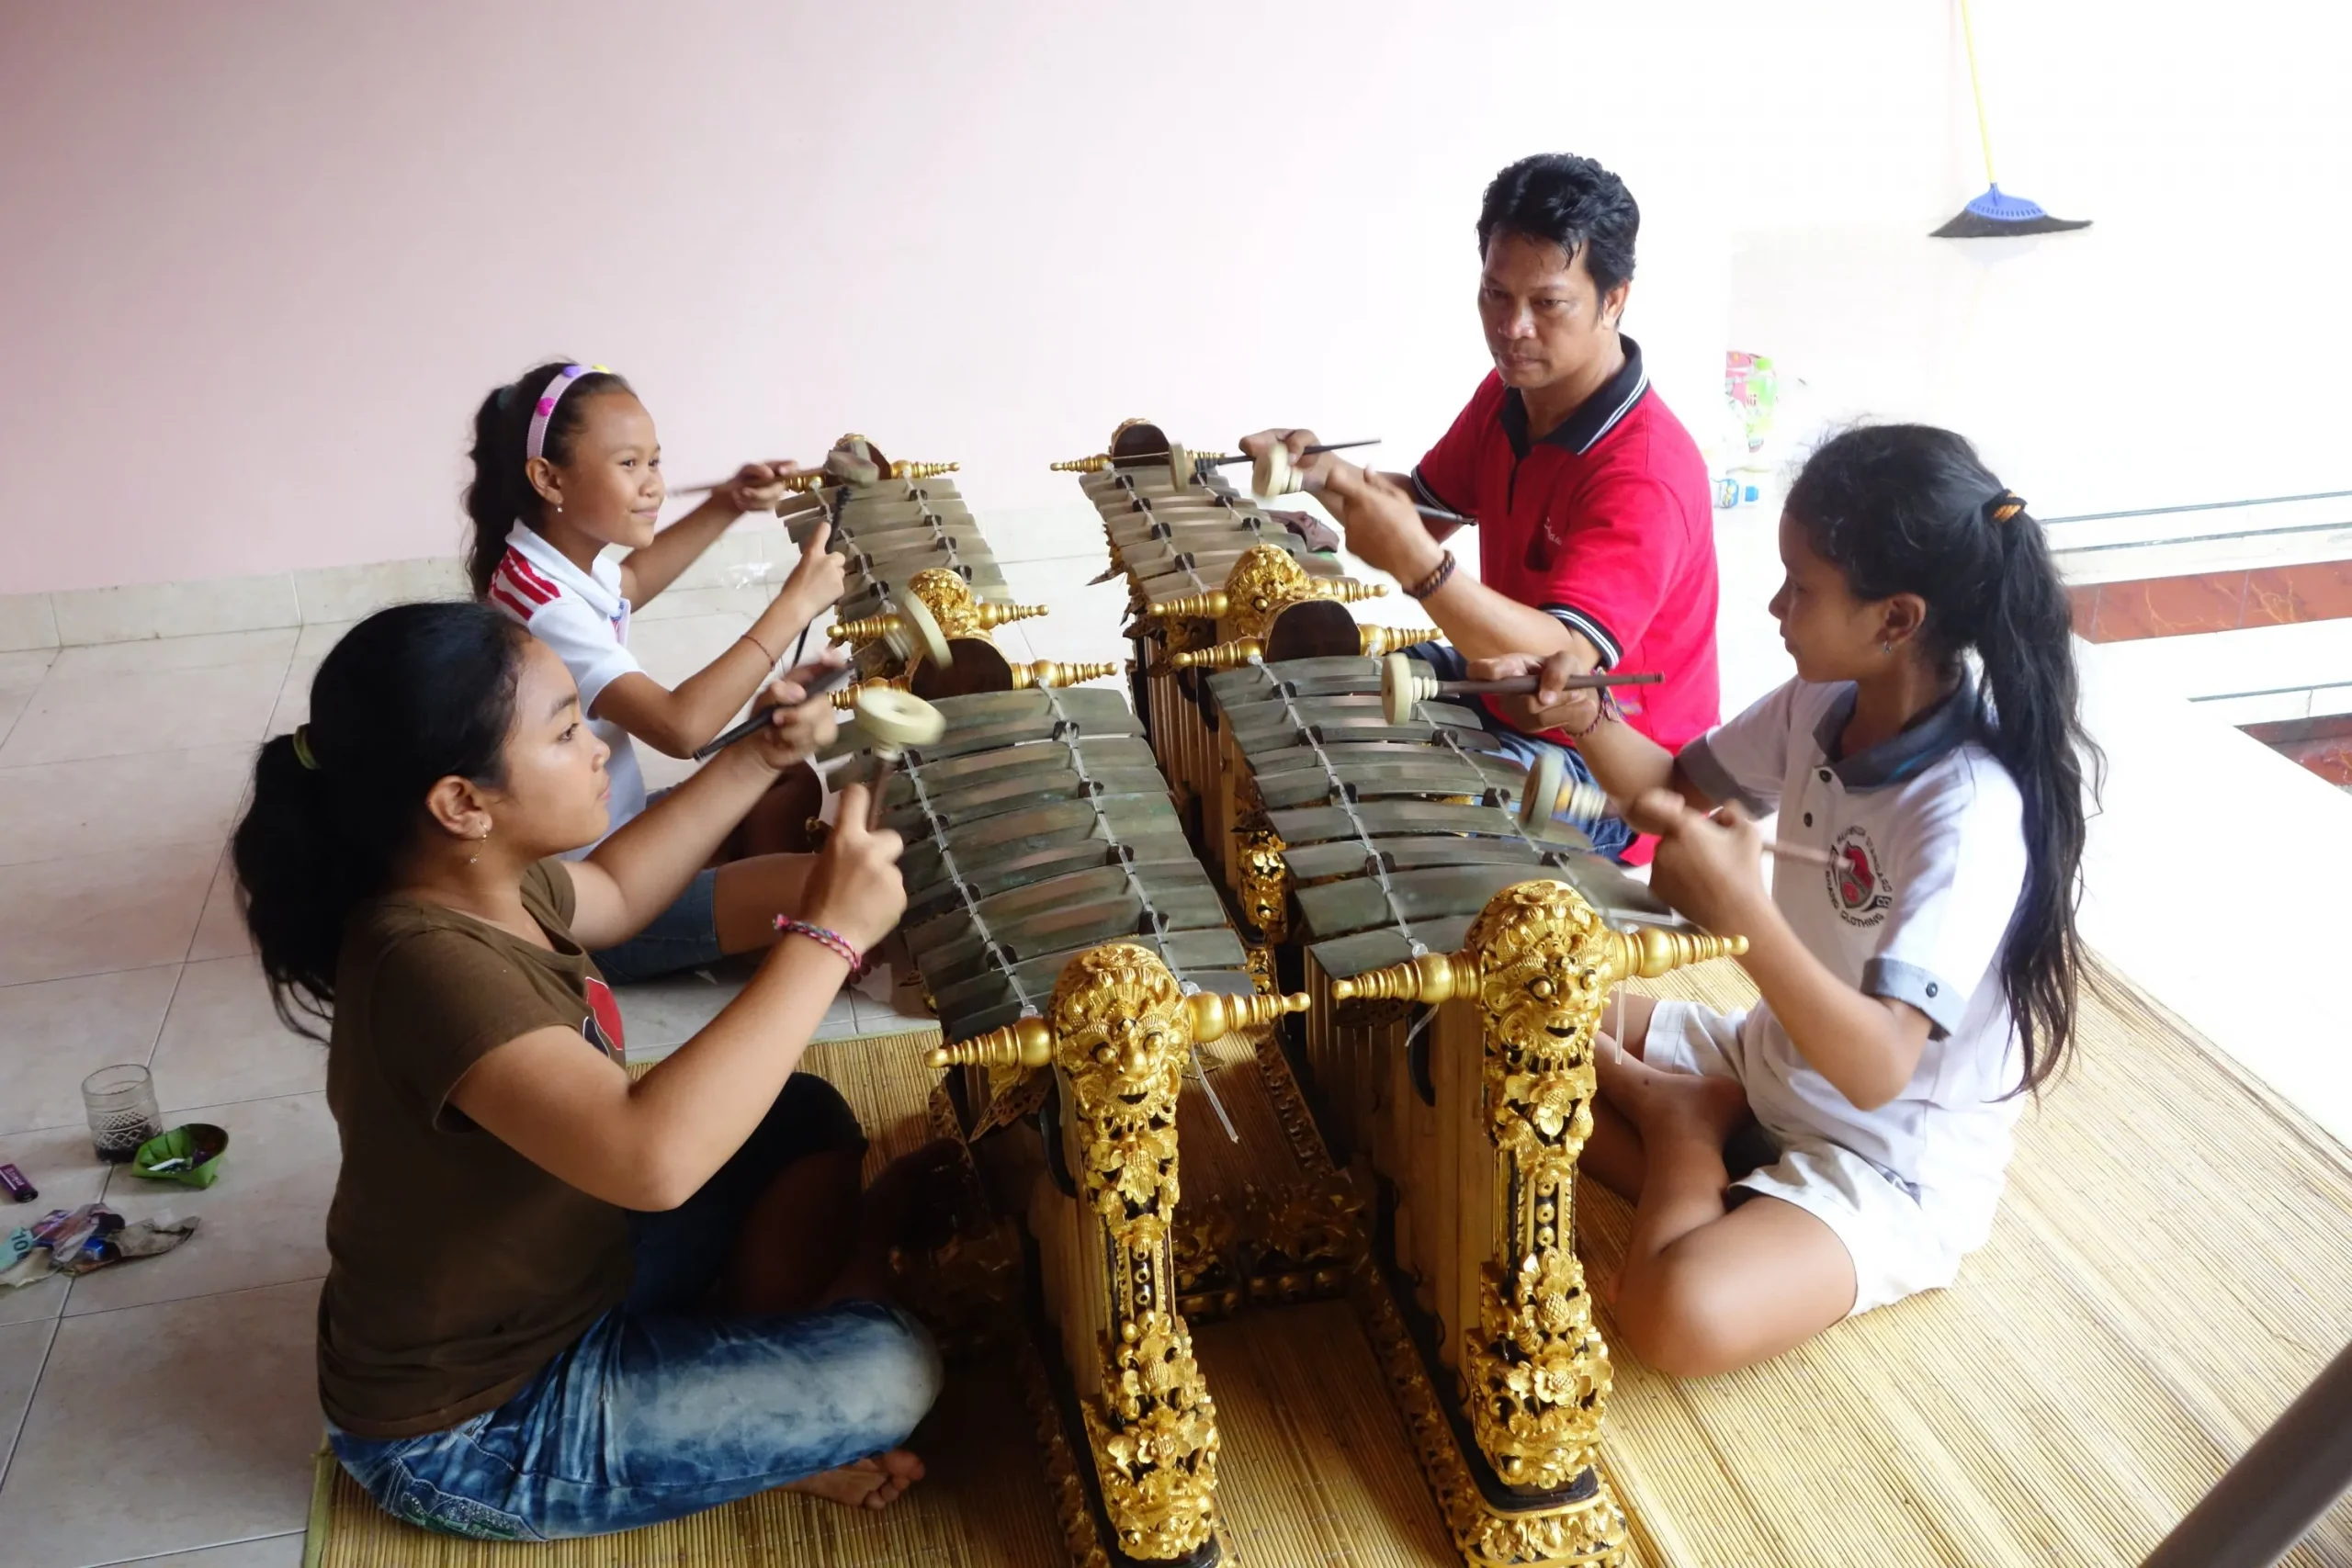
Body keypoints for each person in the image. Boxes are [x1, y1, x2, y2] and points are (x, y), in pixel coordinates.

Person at [232, 601, 942, 1539]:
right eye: (567, 732)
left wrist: (757, 755)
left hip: (578, 1272)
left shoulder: (475, 876)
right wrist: (828, 938)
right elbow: (654, 1158)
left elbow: (614, 891)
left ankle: (731, 1398)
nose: (599, 747)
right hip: (474, 1425)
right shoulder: (426, 965)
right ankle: (742, 1435)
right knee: (894, 1367)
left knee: (795, 1113)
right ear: (462, 802)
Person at [1475, 424, 2098, 1375]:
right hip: (1768, 1060)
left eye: (1800, 586)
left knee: (1677, 1314)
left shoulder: (1966, 813)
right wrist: (1587, 715)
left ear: (1896, 619)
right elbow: (1679, 791)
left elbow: (1879, 1067)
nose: (1774, 605)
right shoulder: (1823, 702)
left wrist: (1744, 918)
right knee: (1487, 1018)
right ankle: (1707, 1139)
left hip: (1883, 1156)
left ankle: (1683, 1125)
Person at [1242, 152, 1719, 861]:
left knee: (1402, 821)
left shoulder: (1647, 474)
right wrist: (1322, 474)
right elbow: (1425, 512)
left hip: (1612, 767)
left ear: (1615, 298)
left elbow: (1555, 659)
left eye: (1547, 303)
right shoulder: (1510, 396)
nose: (1512, 326)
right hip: (1494, 690)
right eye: (1495, 294)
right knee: (1294, 696)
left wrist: (1419, 565)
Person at [464, 360, 849, 981]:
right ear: (549, 478)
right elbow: (682, 728)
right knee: (834, 885)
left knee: (789, 787)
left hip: (622, 825)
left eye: (655, 461)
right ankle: (746, 929)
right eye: (628, 464)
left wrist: (729, 502)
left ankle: (742, 917)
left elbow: (633, 581)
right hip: (592, 892)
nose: (655, 486)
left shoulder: (548, 560)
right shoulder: (544, 608)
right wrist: (793, 607)